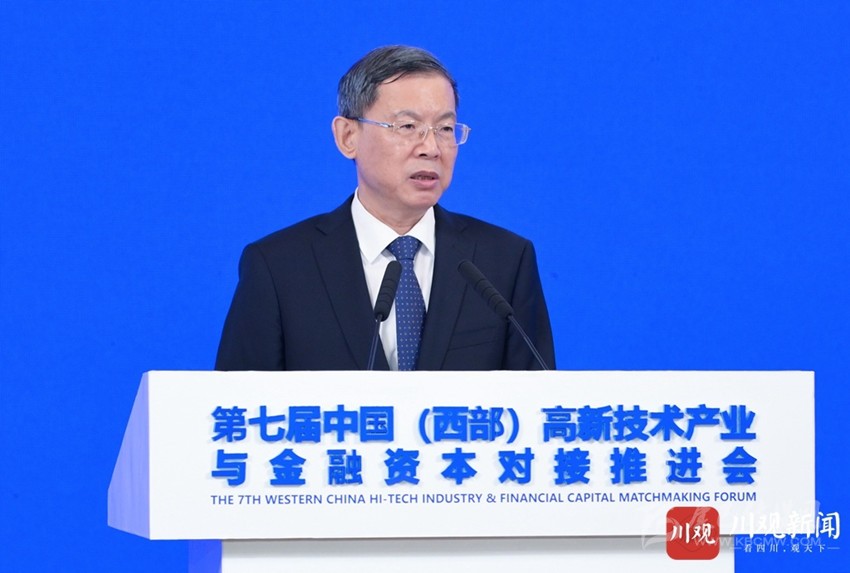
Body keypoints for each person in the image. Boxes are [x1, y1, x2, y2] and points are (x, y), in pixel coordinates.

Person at [216, 45, 554, 371]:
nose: (431, 148)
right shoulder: (278, 267)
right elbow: (237, 403)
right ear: (348, 137)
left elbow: (539, 398)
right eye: (407, 127)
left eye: (445, 129)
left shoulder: (504, 262)